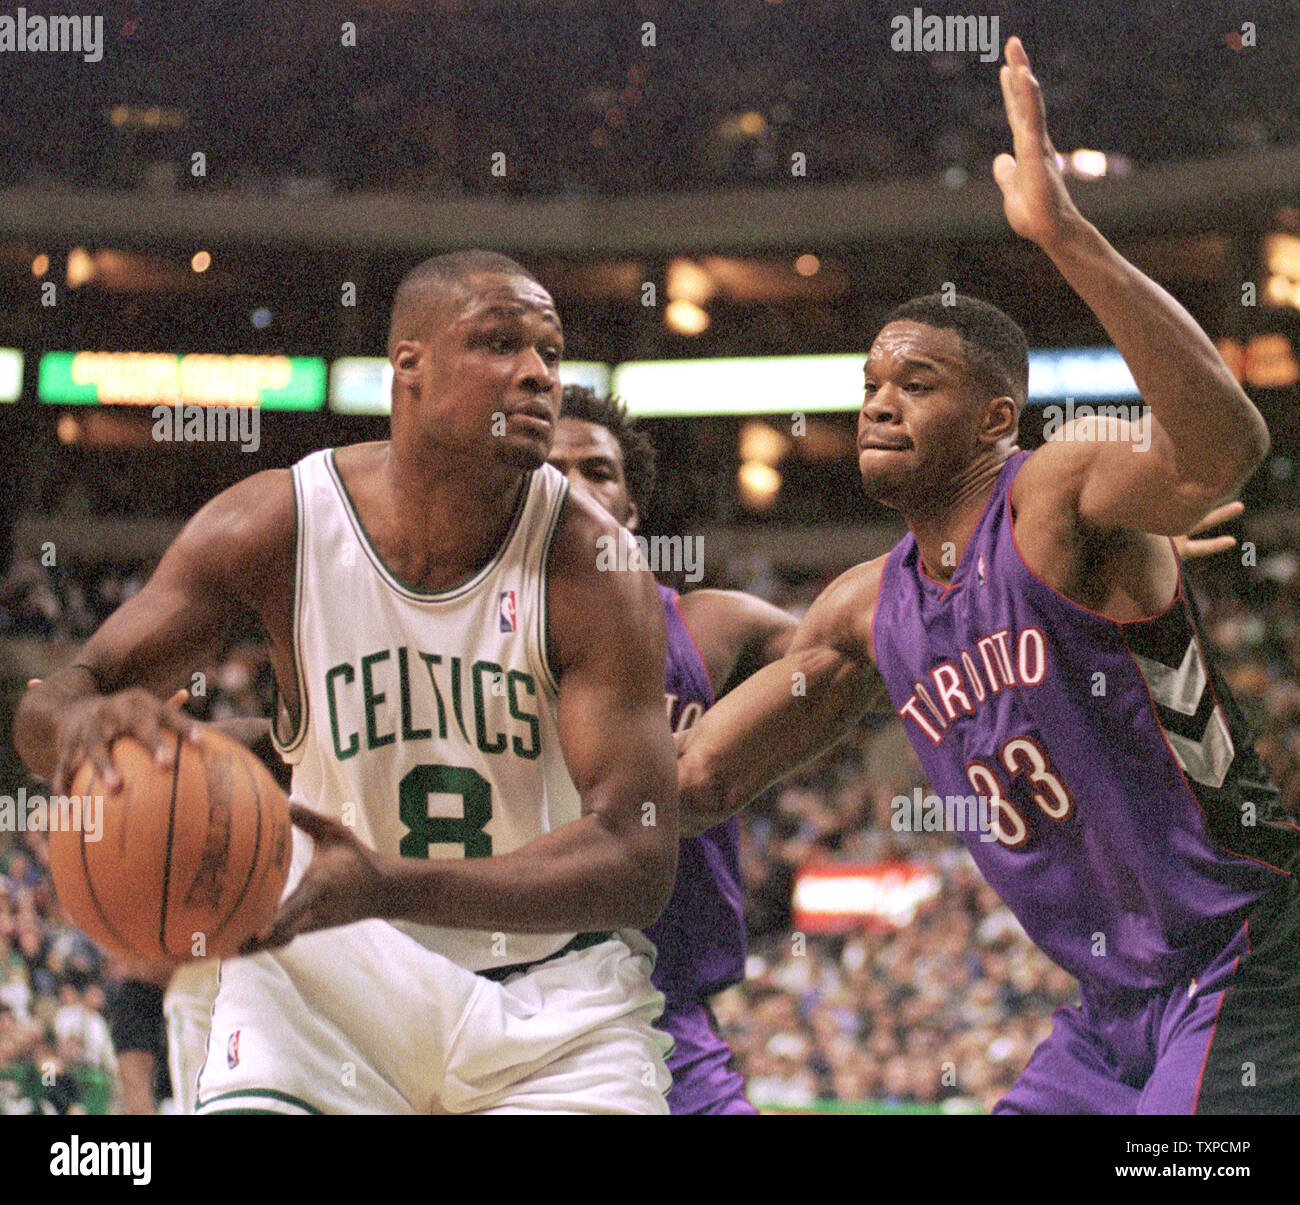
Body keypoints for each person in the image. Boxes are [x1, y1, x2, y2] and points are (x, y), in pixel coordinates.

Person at [677, 38, 1300, 1114]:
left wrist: (1068, 237)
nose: (877, 400)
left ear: (995, 418)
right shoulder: (864, 610)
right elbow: (694, 781)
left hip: (1248, 954)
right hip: (1107, 1008)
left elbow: (1218, 452)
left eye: (915, 382)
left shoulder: (1051, 498)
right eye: (871, 381)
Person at [15, 249, 681, 1115]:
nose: (536, 374)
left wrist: (390, 880)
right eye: (499, 343)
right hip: (326, 966)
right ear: (409, 364)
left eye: (550, 353)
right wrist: (79, 730)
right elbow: (57, 697)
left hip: (551, 998)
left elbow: (638, 856)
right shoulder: (275, 525)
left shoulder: (593, 562)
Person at [548, 385, 796, 1114]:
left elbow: (870, 654)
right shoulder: (458, 636)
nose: (572, 484)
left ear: (630, 510)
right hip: (504, 999)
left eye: (597, 469)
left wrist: (743, 739)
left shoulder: (708, 624)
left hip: (664, 1012)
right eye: (548, 466)